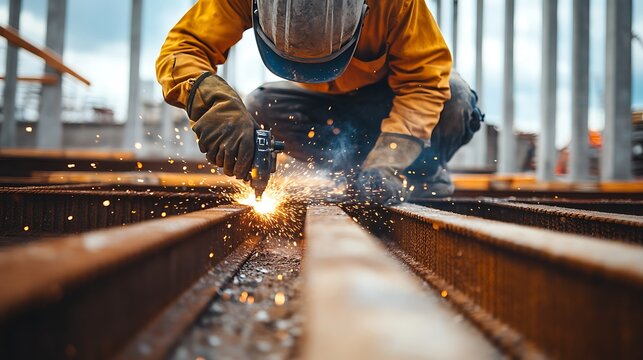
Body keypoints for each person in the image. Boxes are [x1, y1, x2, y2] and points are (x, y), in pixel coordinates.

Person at [156, 0, 483, 205]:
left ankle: (418, 174)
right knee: (260, 106)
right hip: (323, 110)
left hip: (387, 107)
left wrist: (388, 160)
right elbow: (182, 50)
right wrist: (211, 101)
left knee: (455, 97)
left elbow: (424, 81)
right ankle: (348, 179)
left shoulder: (396, 3)